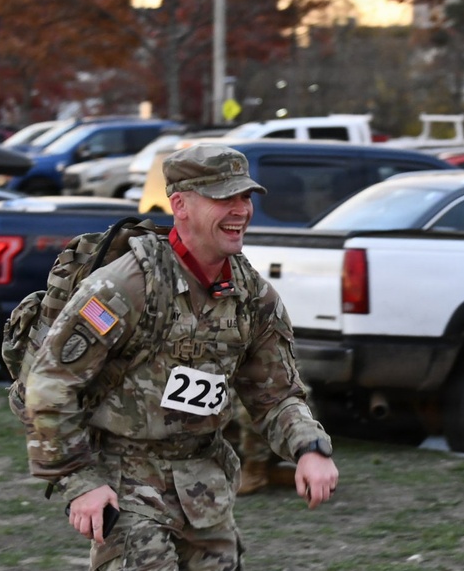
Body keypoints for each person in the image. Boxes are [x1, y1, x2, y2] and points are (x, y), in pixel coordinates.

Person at [22, 142, 339, 570]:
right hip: (124, 482)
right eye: (223, 197)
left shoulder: (252, 295)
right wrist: (80, 482)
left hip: (205, 487)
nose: (240, 210)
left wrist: (310, 448)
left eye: (245, 197)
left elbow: (277, 395)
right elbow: (50, 384)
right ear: (180, 205)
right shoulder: (124, 287)